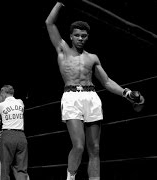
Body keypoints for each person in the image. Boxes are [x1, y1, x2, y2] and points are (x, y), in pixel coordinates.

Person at [45, 2, 145, 180]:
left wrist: (126, 93)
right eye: (77, 35)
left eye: (83, 36)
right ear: (70, 36)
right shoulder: (63, 50)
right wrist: (60, 3)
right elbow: (49, 23)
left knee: (95, 148)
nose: (80, 38)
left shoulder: (92, 58)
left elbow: (106, 81)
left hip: (91, 96)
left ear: (87, 37)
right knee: (78, 146)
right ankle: (70, 177)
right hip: (71, 97)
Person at [0, 85, 30, 180]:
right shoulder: (20, 102)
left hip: (8, 135)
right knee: (21, 169)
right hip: (21, 136)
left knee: (5, 168)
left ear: (3, 93)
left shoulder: (1, 105)